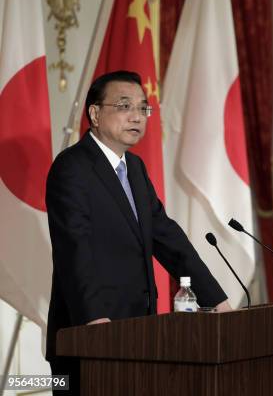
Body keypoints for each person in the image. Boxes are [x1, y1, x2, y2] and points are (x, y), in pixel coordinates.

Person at [45, 71, 230, 393]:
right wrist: (94, 321)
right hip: (91, 334)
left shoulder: (135, 169)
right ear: (95, 114)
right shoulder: (72, 167)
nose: (137, 116)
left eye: (143, 108)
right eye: (124, 105)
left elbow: (168, 238)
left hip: (139, 333)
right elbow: (74, 247)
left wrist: (215, 299)